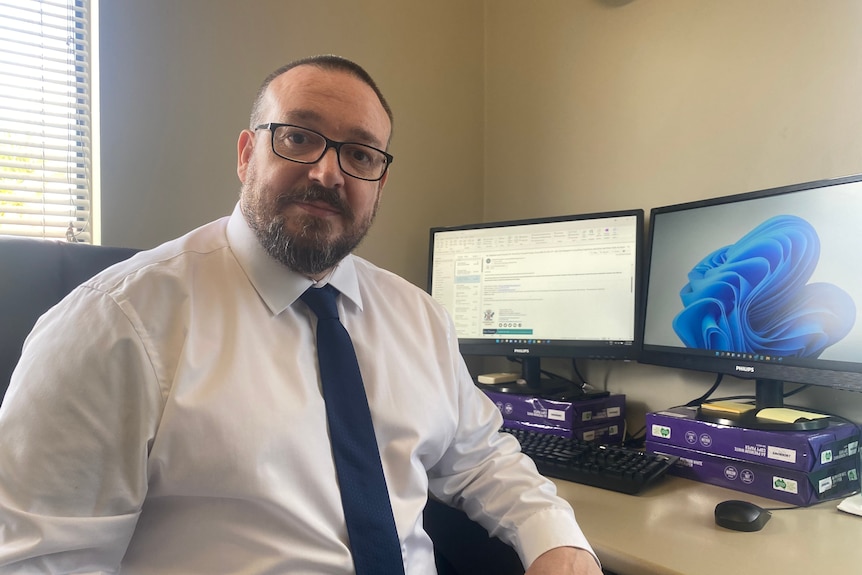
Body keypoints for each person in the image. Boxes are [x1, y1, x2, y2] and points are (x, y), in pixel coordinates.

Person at [0, 55, 601, 574]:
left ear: (379, 182)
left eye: (361, 154)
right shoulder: (115, 324)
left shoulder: (419, 318)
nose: (327, 172)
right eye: (297, 137)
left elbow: (480, 456)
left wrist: (557, 541)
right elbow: (42, 559)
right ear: (246, 153)